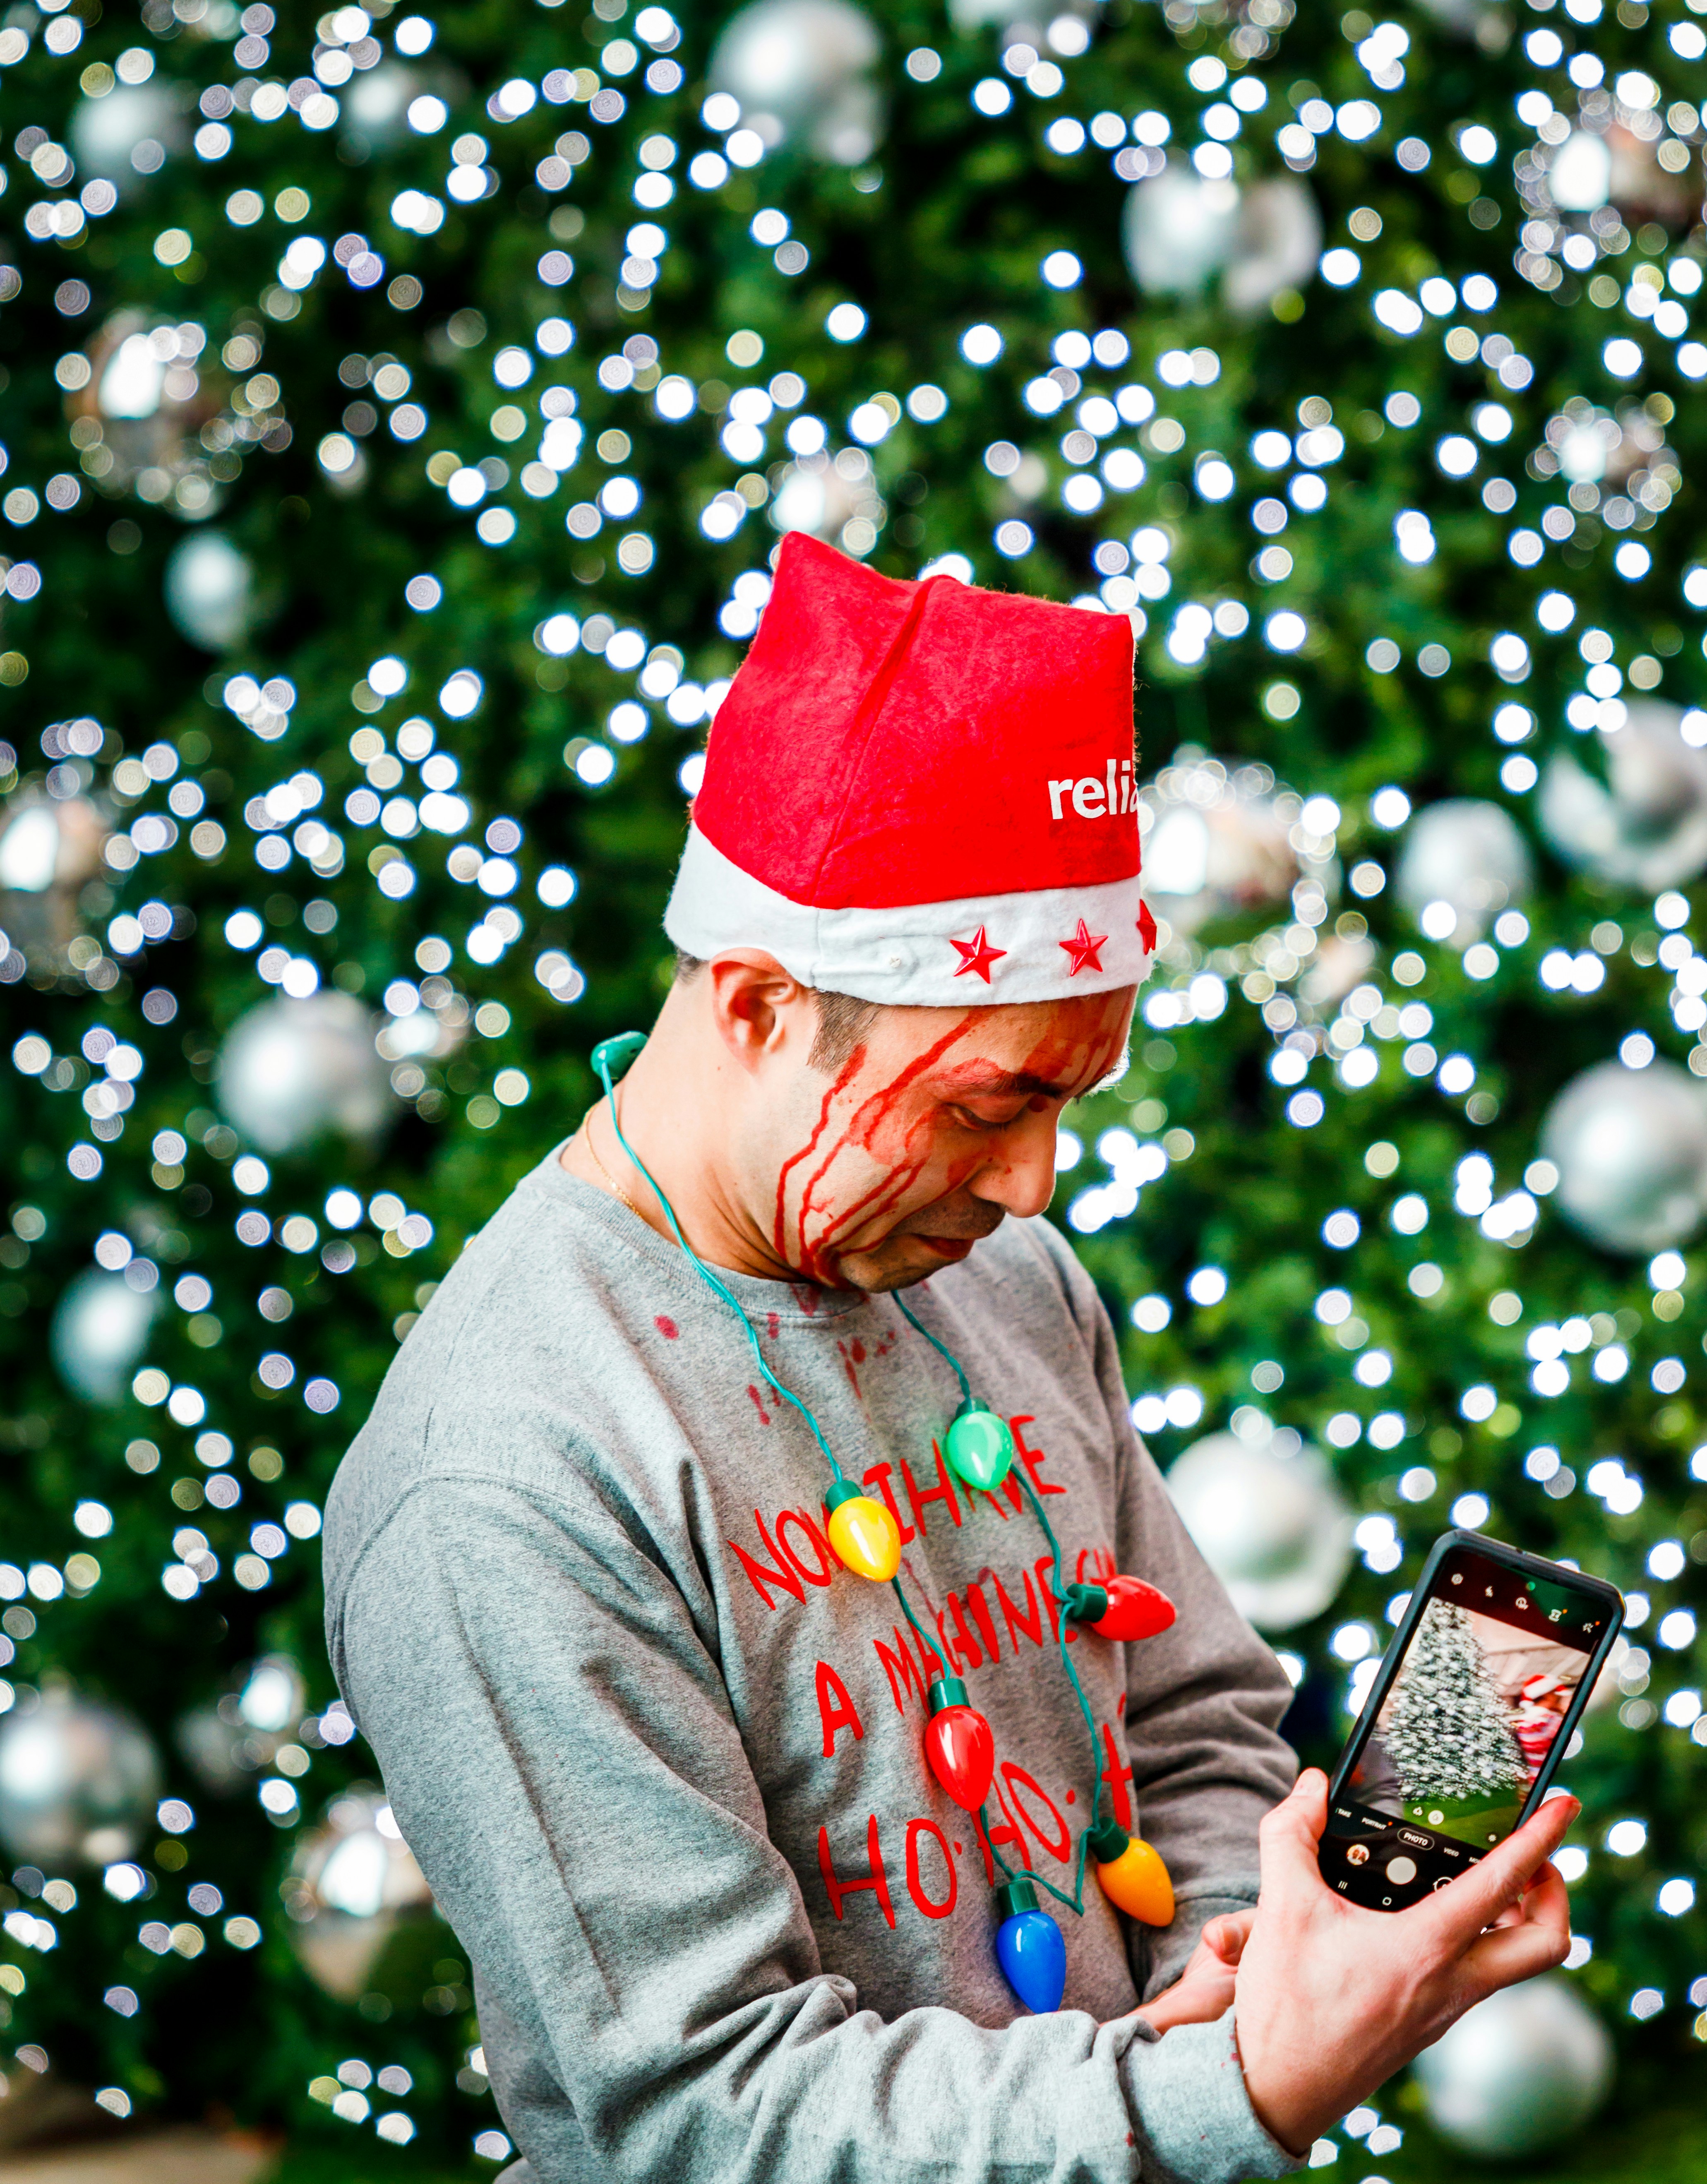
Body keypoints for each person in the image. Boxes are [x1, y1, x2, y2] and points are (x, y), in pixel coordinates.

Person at [324, 534, 1577, 2184]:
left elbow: (1193, 1720)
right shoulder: (503, 1478)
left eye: (1071, 1098)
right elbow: (703, 2122)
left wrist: (1234, 1970)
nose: (1035, 1187)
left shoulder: (1010, 1284)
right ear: (763, 1006)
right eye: (990, 1101)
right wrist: (1227, 2095)